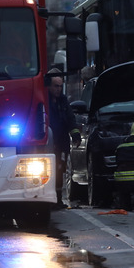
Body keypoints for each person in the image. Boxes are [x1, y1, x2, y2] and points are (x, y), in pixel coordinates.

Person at [47, 68, 81, 207]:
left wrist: (75, 135)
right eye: (56, 86)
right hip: (48, 143)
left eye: (60, 86)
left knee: (60, 170)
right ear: (48, 85)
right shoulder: (43, 100)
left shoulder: (63, 101)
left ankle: (58, 199)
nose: (58, 89)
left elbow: (70, 119)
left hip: (61, 142)